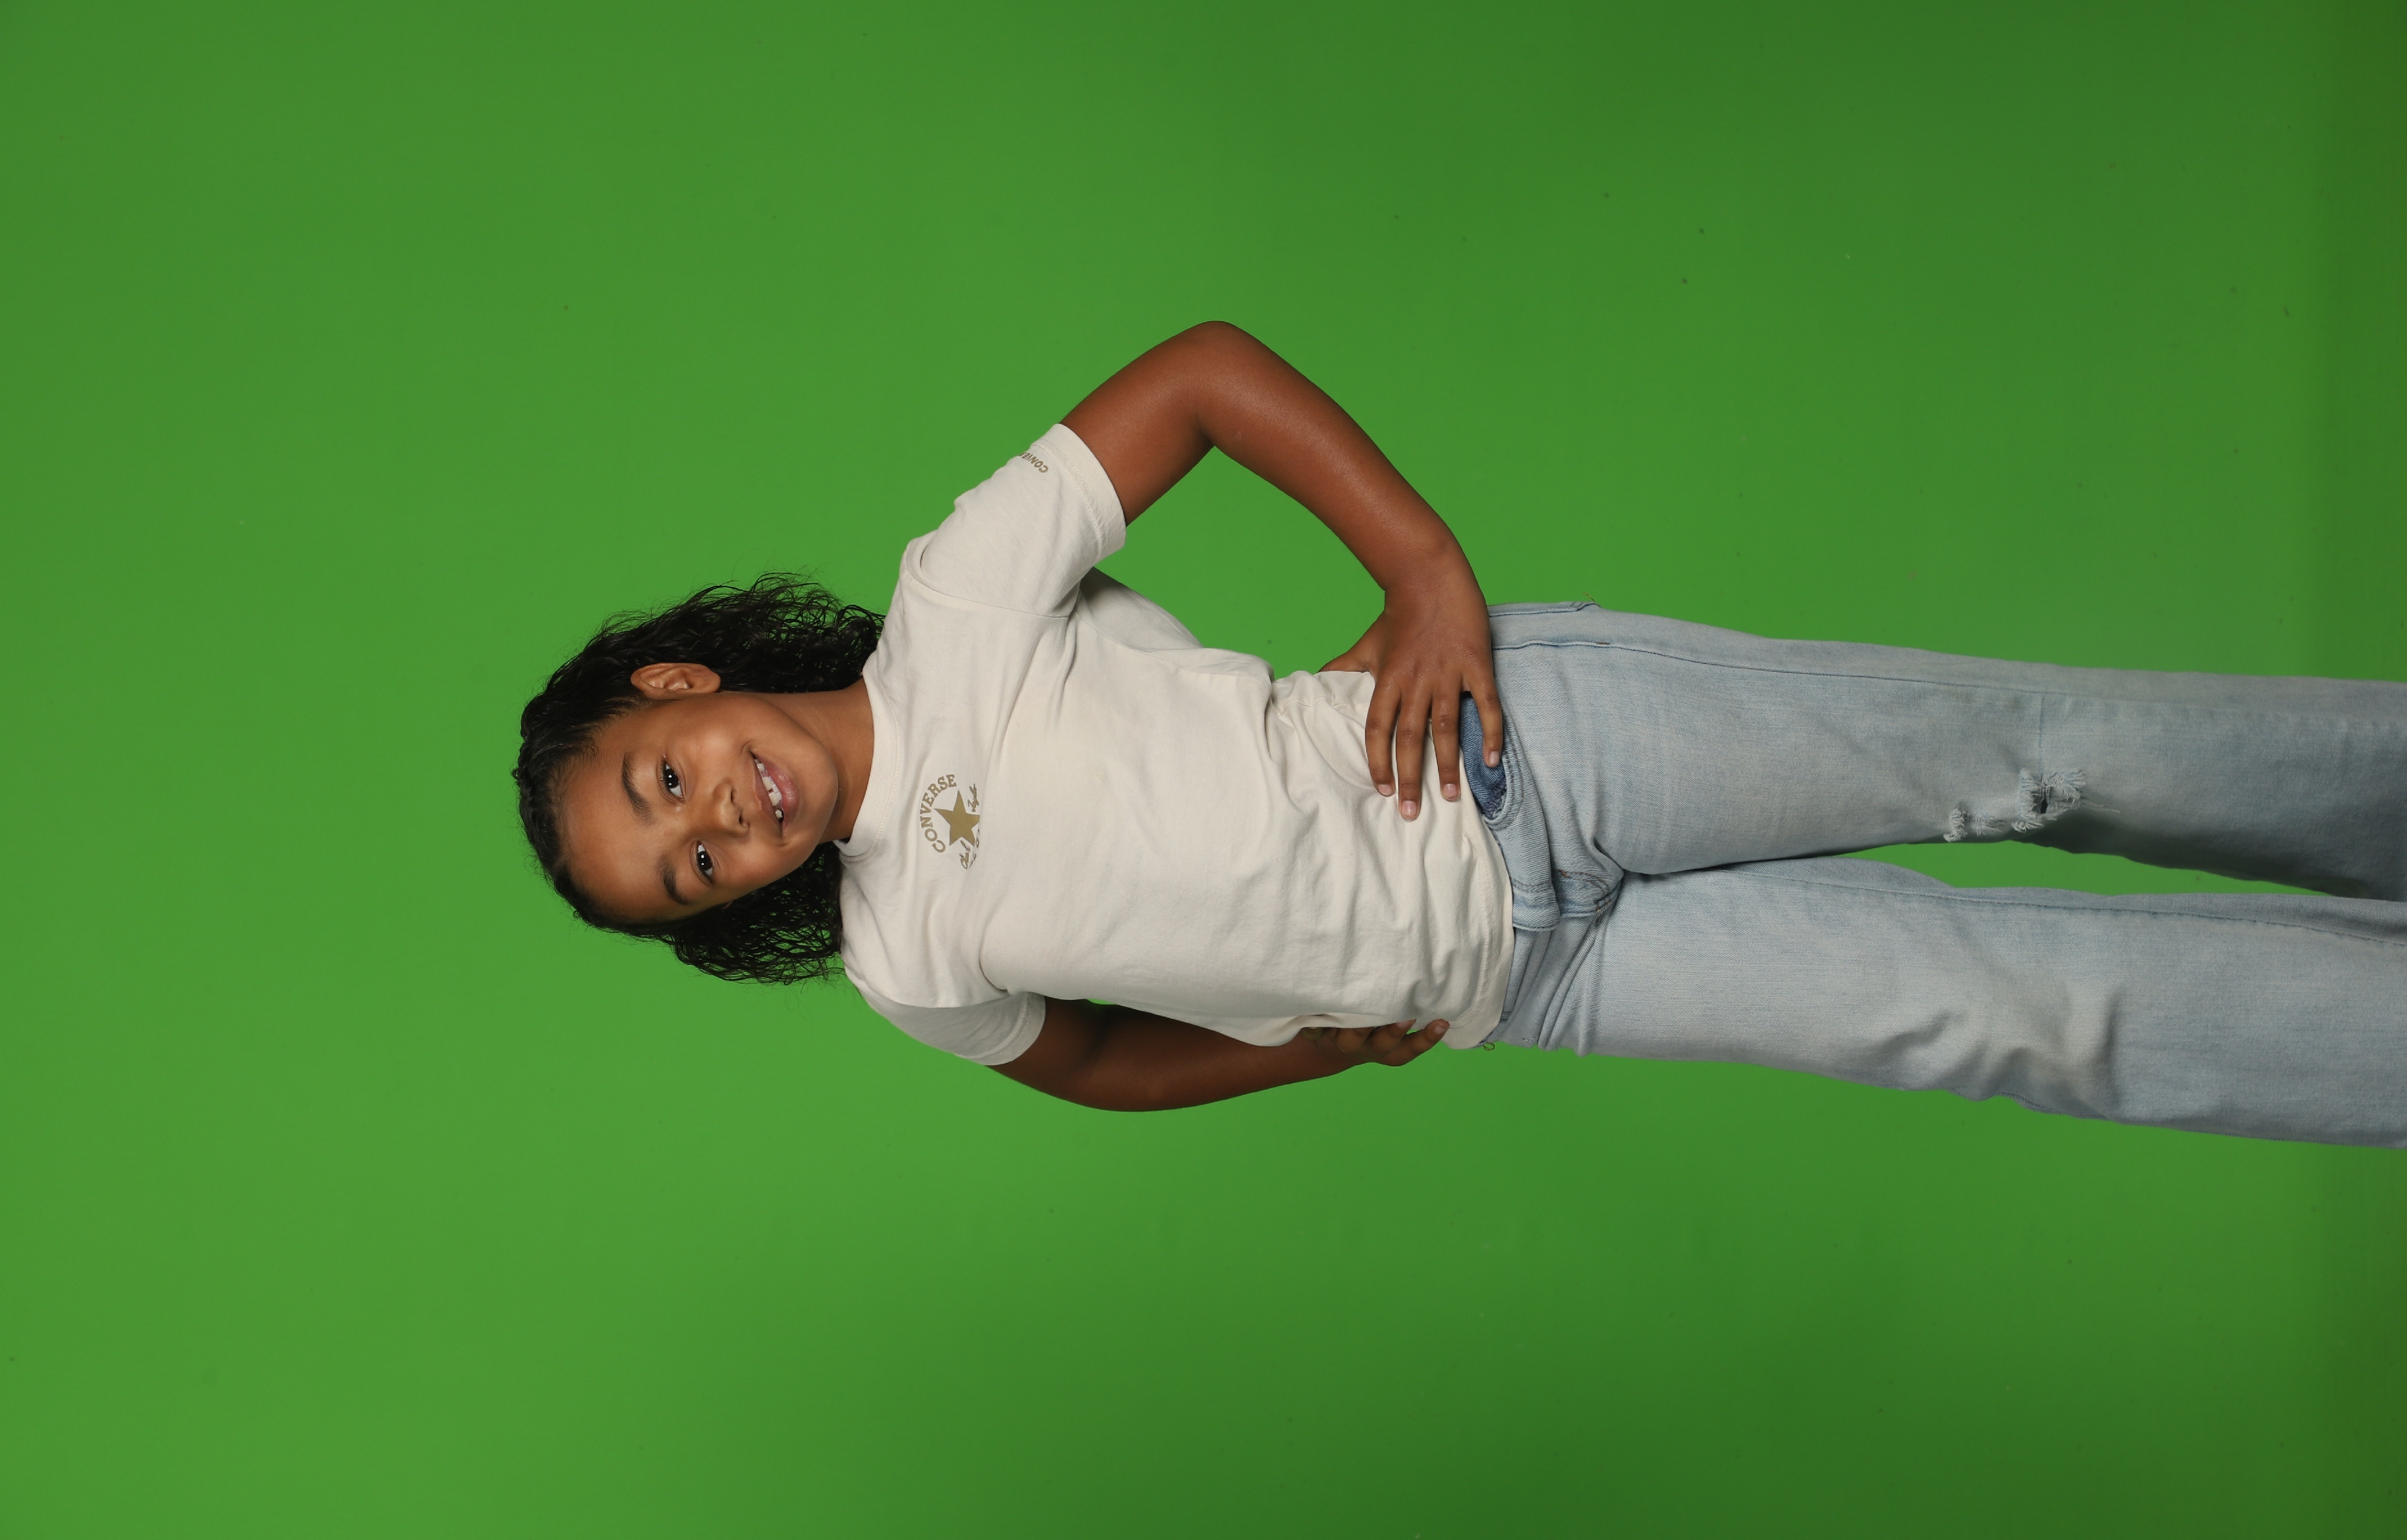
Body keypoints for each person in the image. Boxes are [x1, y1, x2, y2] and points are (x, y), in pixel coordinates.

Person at [515, 323, 2407, 1144]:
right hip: (1539, 980)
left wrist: (1421, 575)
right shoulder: (903, 963)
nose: (720, 822)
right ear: (731, 911)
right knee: (2009, 1022)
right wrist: (1316, 1048)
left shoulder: (954, 598)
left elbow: (1202, 379)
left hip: (1526, 748)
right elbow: (1089, 1062)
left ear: (678, 686)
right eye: (693, 870)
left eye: (665, 783)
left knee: (2030, 761)